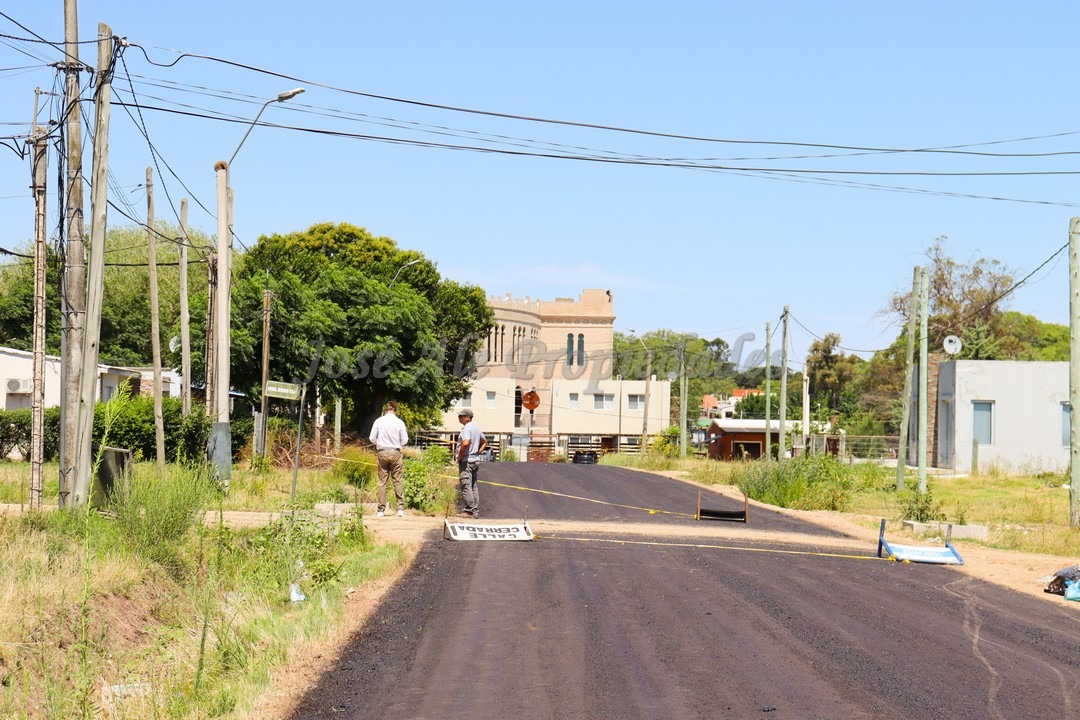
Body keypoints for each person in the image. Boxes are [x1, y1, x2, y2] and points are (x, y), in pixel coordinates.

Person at [369, 401, 409, 517]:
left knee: (382, 482)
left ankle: (381, 510)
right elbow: (405, 440)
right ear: (395, 410)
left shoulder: (379, 421)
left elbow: (372, 438)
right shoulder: (399, 422)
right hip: (395, 452)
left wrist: (379, 443)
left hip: (382, 452)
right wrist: (398, 444)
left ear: (385, 410)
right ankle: (400, 509)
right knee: (398, 480)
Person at [456, 408, 487, 519]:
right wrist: (478, 452)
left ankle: (469, 510)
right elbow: (485, 442)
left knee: (466, 484)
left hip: (466, 460)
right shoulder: (476, 428)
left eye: (461, 416)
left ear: (467, 418)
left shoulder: (467, 429)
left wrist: (460, 455)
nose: (459, 418)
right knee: (473, 485)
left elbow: (465, 443)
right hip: (475, 460)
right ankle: (475, 510)